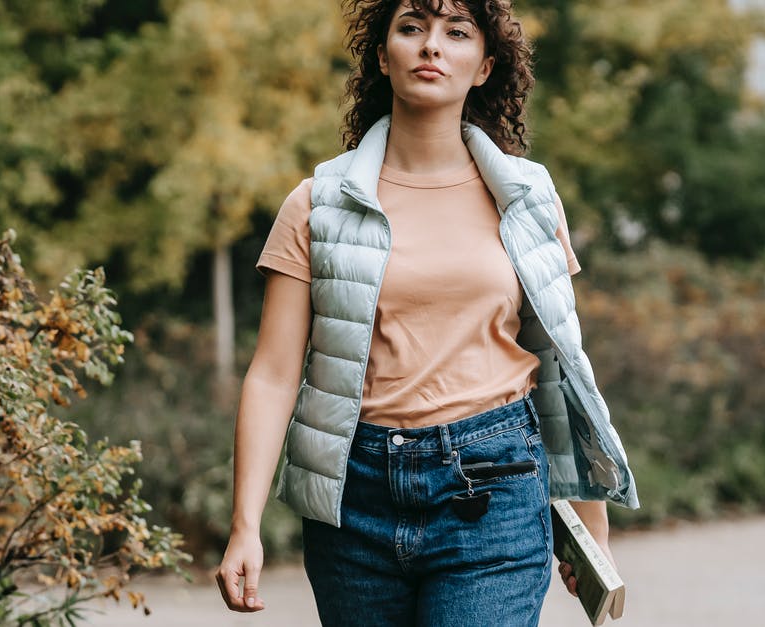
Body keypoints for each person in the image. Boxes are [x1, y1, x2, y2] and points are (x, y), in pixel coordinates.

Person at [214, 1, 638, 625]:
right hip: (352, 498)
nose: (431, 46)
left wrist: (589, 531)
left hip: (494, 487)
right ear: (384, 58)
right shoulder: (318, 204)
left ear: (485, 66)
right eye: (412, 28)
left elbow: (561, 367)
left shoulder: (527, 198)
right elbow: (274, 374)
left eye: (456, 32)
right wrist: (243, 525)